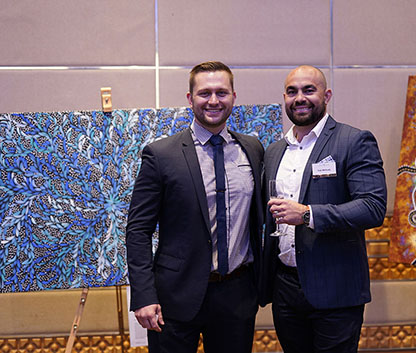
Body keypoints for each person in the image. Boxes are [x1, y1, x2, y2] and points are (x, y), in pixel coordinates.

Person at [126, 61, 264, 353]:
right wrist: (143, 295)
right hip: (173, 296)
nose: (213, 101)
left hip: (237, 295)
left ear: (233, 97)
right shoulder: (161, 154)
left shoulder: (252, 149)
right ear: (190, 99)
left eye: (221, 93)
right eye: (204, 93)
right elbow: (138, 230)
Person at [260, 65, 387, 352]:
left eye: (309, 90)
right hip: (286, 288)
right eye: (292, 92)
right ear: (284, 97)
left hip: (335, 288)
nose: (299, 98)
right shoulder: (274, 151)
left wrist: (307, 215)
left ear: (326, 95)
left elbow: (372, 207)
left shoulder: (353, 141)